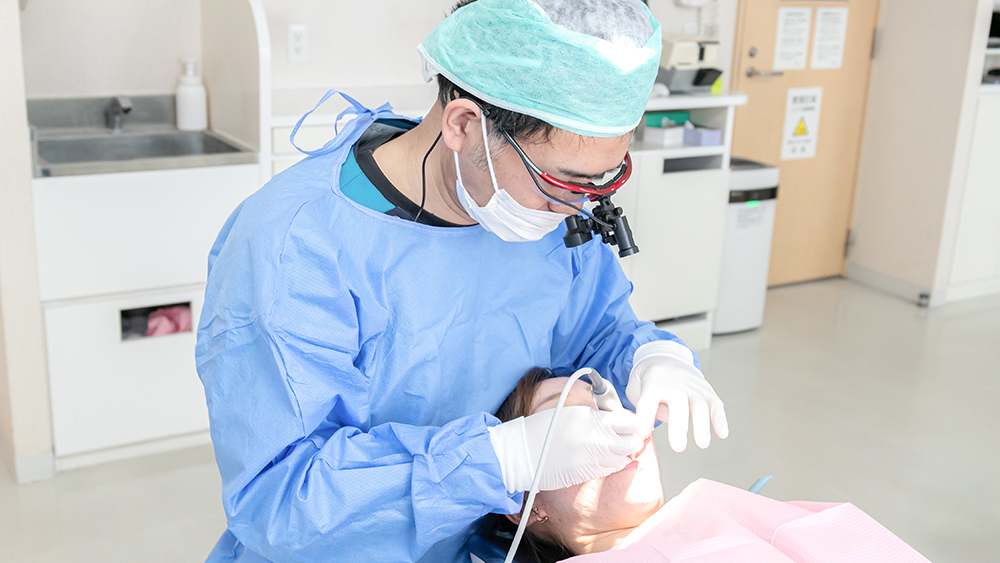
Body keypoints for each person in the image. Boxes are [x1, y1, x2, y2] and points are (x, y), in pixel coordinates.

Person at [195, 1, 727, 562]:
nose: (578, 207)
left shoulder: (545, 216)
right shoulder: (297, 245)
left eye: (604, 180)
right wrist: (500, 460)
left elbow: (592, 334)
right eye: (563, 182)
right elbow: (281, 500)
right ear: (464, 125)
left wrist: (650, 358)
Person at [476, 369, 932, 563]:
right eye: (567, 425)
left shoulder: (719, 505)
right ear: (522, 506)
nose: (610, 429)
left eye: (606, 408)